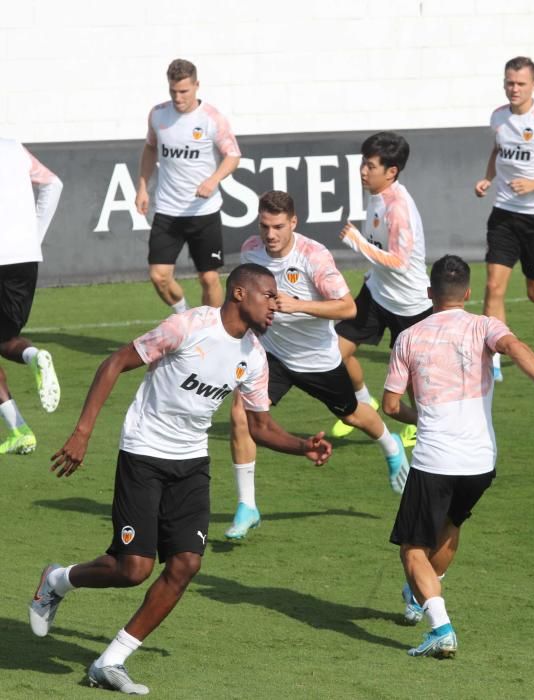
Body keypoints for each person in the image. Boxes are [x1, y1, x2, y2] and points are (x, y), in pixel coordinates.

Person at [28, 263, 332, 696]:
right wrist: (82, 433)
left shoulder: (255, 356)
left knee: (186, 564)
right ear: (241, 294)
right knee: (134, 569)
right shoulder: (187, 327)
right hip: (144, 452)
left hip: (191, 462)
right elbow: (115, 362)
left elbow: (261, 427)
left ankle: (110, 661)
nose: (275, 305)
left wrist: (303, 446)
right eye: (269, 295)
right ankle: (57, 580)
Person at [382, 254, 534, 658]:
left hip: (435, 460)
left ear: (429, 294)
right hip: (481, 462)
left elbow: (390, 406)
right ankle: (423, 590)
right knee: (451, 522)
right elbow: (515, 346)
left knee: (411, 548)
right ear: (469, 294)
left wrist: (417, 416)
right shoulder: (485, 326)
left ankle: (440, 626)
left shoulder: (409, 337)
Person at [225, 190, 410, 540]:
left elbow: (347, 308)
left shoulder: (313, 256)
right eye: (265, 226)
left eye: (278, 226)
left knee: (353, 414)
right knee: (240, 415)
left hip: (317, 359)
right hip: (270, 355)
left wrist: (297, 306)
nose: (270, 235)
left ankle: (391, 445)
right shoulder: (250, 250)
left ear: (293, 223)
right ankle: (247, 506)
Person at [331, 131, 432, 448]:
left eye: (370, 166)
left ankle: (423, 426)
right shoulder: (376, 193)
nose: (363, 170)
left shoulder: (398, 207)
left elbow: (400, 262)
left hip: (409, 305)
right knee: (334, 352)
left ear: (391, 171)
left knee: (415, 383)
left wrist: (358, 244)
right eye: (363, 163)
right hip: (376, 294)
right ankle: (364, 401)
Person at [135, 58, 241, 311]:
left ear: (196, 86)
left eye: (184, 91)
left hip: (203, 211)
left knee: (209, 278)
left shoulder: (211, 118)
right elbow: (150, 148)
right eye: (173, 91)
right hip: (168, 210)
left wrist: (213, 180)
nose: (178, 97)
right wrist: (142, 186)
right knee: (159, 276)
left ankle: (211, 331)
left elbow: (233, 155)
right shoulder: (158, 114)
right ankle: (184, 317)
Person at [475, 56, 534, 382]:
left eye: (521, 83)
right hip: (504, 214)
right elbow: (498, 150)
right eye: (509, 82)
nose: (514, 88)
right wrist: (488, 178)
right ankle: (490, 360)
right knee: (493, 286)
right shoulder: (498, 116)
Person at [0, 138, 63, 455]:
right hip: (24, 257)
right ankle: (33, 357)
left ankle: (18, 427)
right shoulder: (13, 147)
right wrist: (33, 236)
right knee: (5, 337)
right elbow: (54, 184)